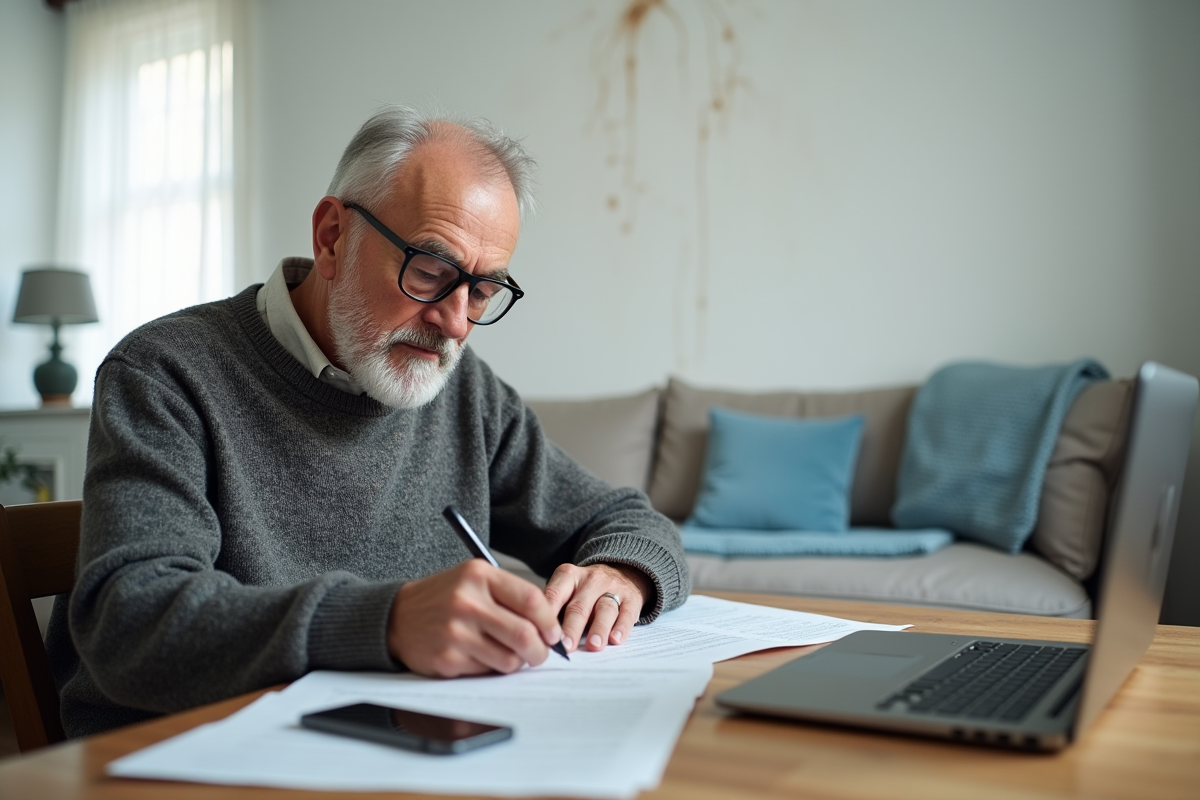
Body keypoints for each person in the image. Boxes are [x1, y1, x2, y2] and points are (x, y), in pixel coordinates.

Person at [46, 106, 690, 738]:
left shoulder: (466, 392)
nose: (455, 323)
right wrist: (385, 622)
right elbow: (129, 623)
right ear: (332, 237)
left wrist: (621, 574)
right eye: (430, 272)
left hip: (387, 746)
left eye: (481, 291)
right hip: (181, 753)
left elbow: (628, 521)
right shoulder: (166, 371)